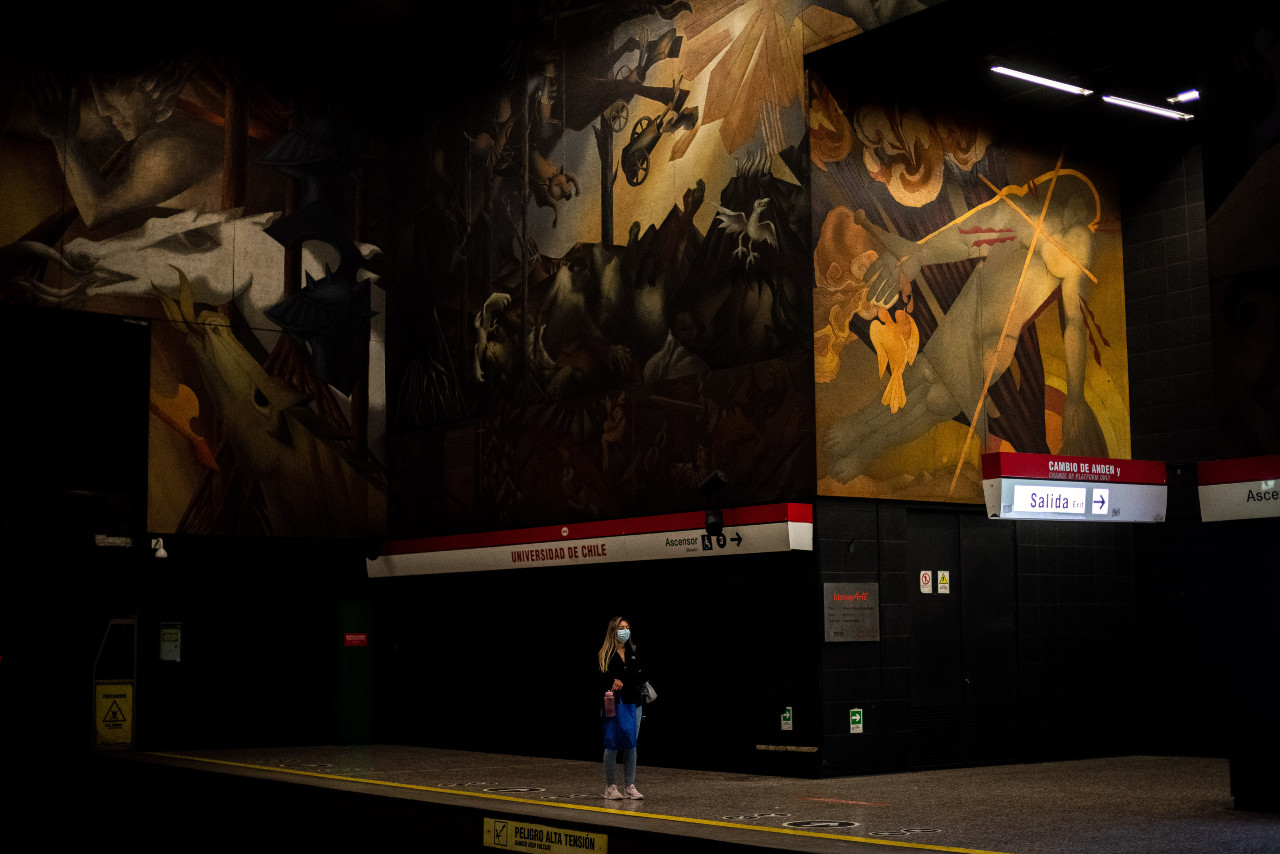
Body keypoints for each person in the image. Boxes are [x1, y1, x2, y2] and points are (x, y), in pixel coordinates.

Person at [597, 616, 646, 800]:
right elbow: (602, 677)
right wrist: (613, 680)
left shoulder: (634, 651)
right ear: (613, 631)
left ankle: (630, 786)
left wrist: (626, 679)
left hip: (634, 704)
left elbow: (642, 673)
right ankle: (610, 787)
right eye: (621, 627)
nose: (625, 630)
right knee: (612, 744)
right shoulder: (605, 654)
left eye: (627, 627)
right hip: (614, 704)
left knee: (631, 745)